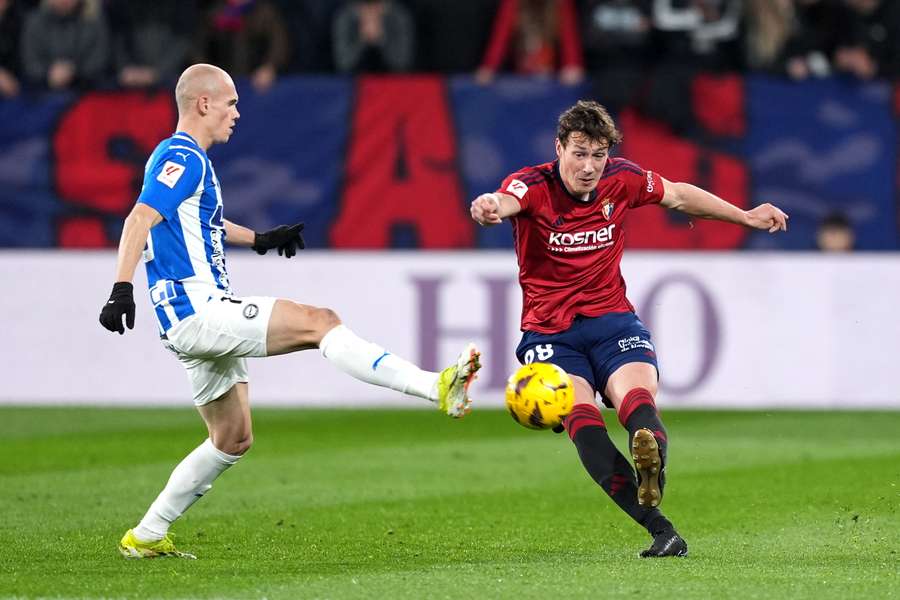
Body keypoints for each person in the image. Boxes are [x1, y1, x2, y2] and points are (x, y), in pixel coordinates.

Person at [99, 64, 482, 559]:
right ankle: (434, 386)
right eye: (231, 102)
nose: (238, 112)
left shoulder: (182, 159)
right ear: (203, 104)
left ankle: (146, 535)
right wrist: (120, 288)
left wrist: (258, 239)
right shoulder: (182, 156)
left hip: (187, 319)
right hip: (198, 309)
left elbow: (199, 221)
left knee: (231, 438)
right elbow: (140, 218)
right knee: (320, 321)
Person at [470, 100, 788, 558]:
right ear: (558, 147)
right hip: (551, 335)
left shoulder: (623, 178)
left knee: (636, 401)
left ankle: (657, 507)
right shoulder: (533, 185)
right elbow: (506, 199)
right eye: (579, 153)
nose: (589, 167)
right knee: (585, 418)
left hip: (612, 319)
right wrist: (489, 206)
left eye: (598, 155)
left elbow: (678, 194)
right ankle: (657, 499)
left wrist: (744, 215)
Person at [332, 0, 415, 74]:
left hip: (393, 83)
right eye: (366, 8)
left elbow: (402, 65)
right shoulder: (347, 17)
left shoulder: (398, 17)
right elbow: (343, 65)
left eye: (377, 7)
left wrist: (382, 39)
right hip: (353, 82)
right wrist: (362, 39)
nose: (372, 11)